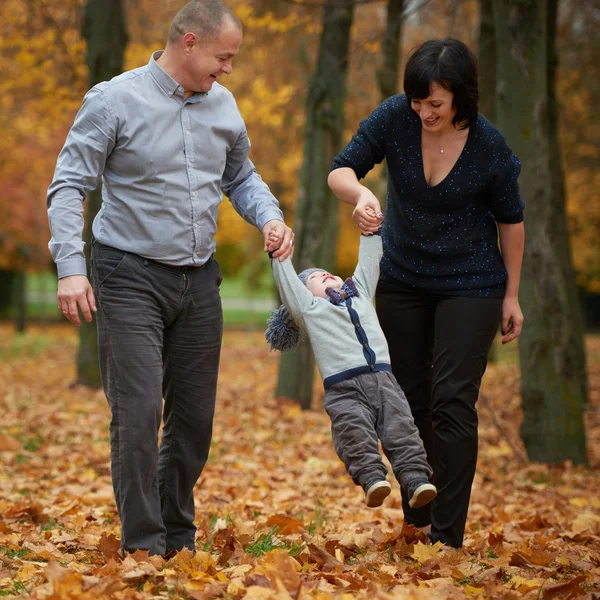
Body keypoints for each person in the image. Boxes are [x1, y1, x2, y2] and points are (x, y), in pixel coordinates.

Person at [47, 0, 294, 557]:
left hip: (198, 280)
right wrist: (70, 269)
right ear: (188, 42)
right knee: (136, 415)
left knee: (194, 421)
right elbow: (69, 186)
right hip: (127, 273)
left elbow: (242, 176)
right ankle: (143, 545)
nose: (228, 69)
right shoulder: (114, 100)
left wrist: (270, 215)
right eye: (222, 57)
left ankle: (178, 537)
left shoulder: (224, 106)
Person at [327, 38, 525, 548]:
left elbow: (511, 222)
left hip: (473, 283)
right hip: (403, 279)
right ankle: (418, 521)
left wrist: (512, 295)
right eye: (417, 101)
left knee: (452, 401)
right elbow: (340, 169)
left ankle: (447, 536)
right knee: (407, 400)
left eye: (435, 103)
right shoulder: (396, 117)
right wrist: (362, 193)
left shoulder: (488, 145)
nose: (424, 111)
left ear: (461, 96)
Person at [265, 223, 437, 511]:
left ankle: (416, 479)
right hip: (344, 390)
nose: (326, 274)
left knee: (402, 429)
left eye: (327, 272)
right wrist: (278, 254)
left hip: (385, 381)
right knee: (354, 434)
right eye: (317, 278)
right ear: (307, 295)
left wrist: (370, 231)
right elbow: (290, 288)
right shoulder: (311, 310)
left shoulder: (360, 294)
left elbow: (370, 263)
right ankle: (372, 480)